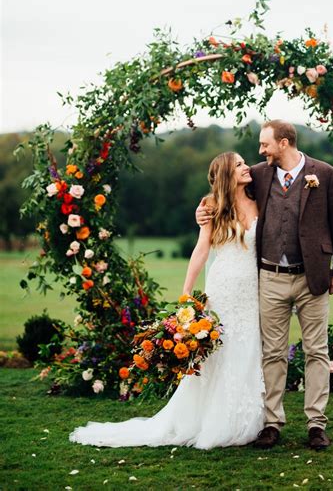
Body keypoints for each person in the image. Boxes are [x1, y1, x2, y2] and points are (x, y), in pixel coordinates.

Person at [69, 152, 264, 449]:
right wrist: (187, 294)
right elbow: (201, 250)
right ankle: (213, 421)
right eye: (238, 164)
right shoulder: (211, 207)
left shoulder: (260, 197)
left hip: (251, 292)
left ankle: (246, 419)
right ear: (226, 173)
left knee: (247, 350)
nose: (246, 166)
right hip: (223, 288)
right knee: (219, 354)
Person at [196, 120, 333, 451]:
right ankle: (272, 422)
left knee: (316, 351)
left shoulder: (325, 174)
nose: (260, 151)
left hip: (313, 277)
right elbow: (224, 183)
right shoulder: (259, 173)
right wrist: (203, 209)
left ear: (284, 143)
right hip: (269, 278)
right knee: (273, 353)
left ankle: (315, 423)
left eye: (265, 144)